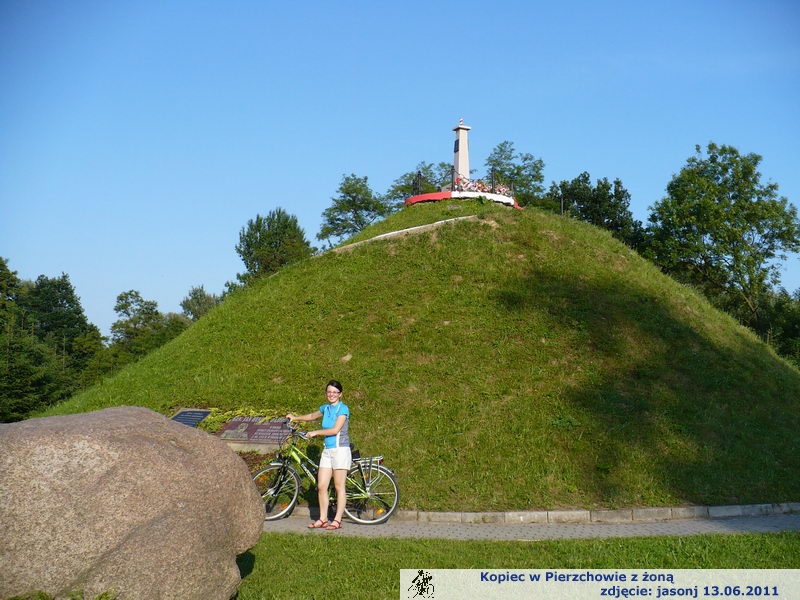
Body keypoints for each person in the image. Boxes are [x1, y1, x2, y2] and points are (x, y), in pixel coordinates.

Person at [286, 379, 351, 530]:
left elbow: (335, 430)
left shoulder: (343, 409)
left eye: (335, 392)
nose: (332, 395)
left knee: (339, 486)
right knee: (321, 486)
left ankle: (337, 520)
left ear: (340, 394)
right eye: (329, 392)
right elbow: (311, 416)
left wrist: (316, 432)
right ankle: (322, 519)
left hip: (340, 450)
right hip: (327, 451)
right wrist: (295, 418)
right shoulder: (326, 408)